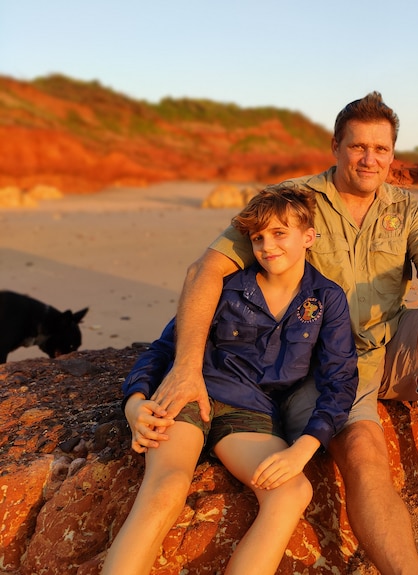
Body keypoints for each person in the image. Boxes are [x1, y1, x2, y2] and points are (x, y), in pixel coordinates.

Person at [140, 92, 418, 574]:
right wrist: (187, 368)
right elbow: (204, 271)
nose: (370, 158)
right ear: (335, 146)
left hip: (388, 344)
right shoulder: (295, 202)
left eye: (381, 149)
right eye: (358, 146)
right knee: (363, 452)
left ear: (392, 153)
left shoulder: (405, 208)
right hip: (319, 361)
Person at [103, 187, 358, 575]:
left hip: (252, 411)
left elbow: (340, 380)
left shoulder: (327, 299)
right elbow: (162, 349)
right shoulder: (226, 285)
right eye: (258, 238)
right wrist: (134, 403)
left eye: (279, 234)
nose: (267, 246)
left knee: (293, 491)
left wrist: (303, 448)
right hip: (194, 393)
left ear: (308, 237)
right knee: (167, 487)